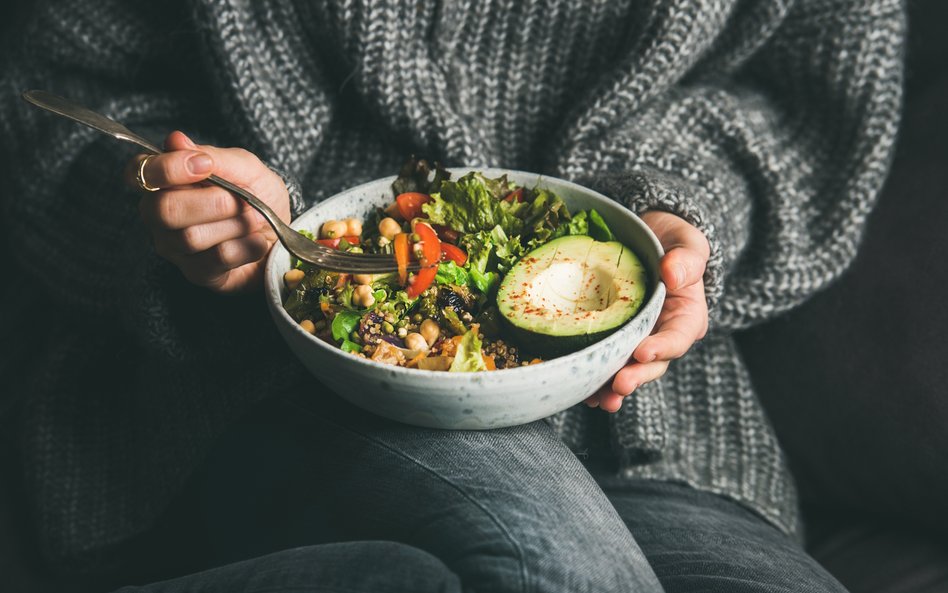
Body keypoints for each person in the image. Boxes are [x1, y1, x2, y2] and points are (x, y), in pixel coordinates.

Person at [0, 0, 905, 591]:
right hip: (256, 380)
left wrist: (678, 213)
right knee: (552, 565)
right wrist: (186, 211)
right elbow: (66, 94)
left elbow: (805, 102)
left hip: (661, 423)